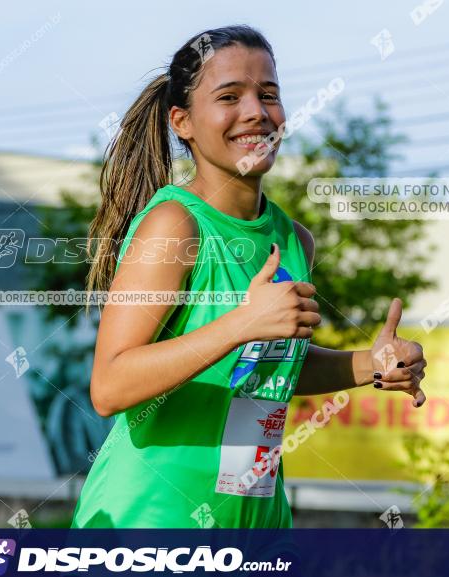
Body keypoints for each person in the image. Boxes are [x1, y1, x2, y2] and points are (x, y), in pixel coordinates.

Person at [73, 25, 427, 529]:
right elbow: (110, 385)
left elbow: (264, 370)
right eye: (228, 96)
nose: (257, 112)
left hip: (257, 525)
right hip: (154, 522)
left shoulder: (294, 239)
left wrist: (372, 364)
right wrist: (242, 322)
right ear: (183, 122)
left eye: (269, 95)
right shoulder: (175, 225)